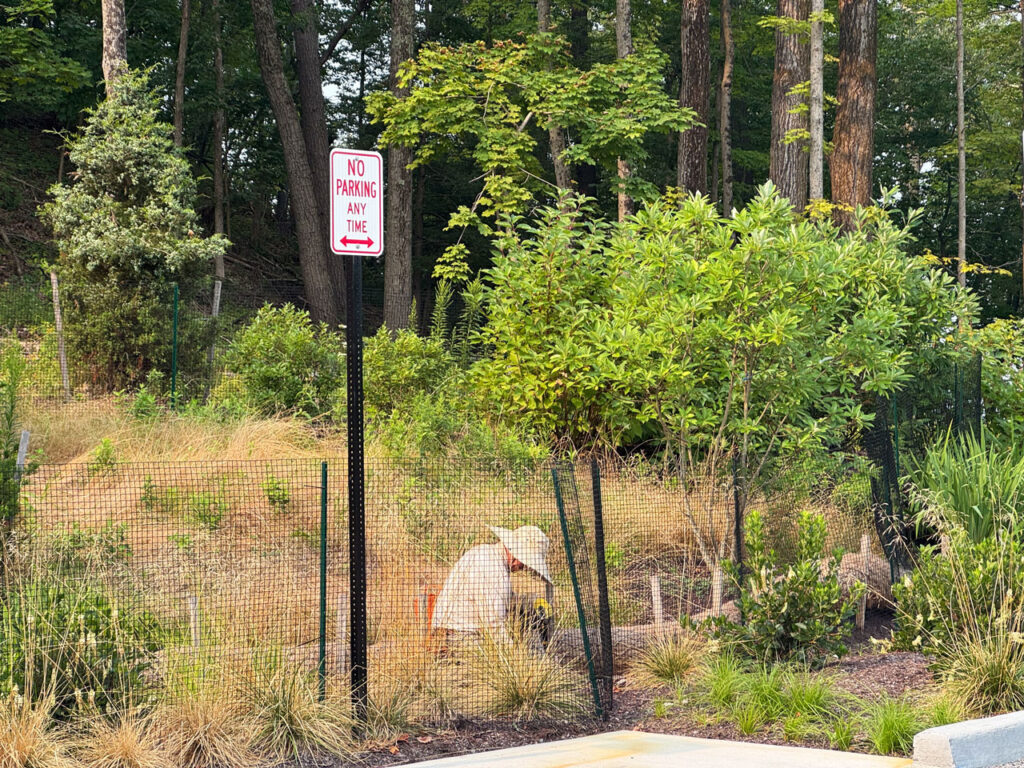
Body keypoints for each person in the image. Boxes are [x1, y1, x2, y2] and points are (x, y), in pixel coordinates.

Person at [431, 525, 552, 641]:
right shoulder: (495, 569)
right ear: (516, 555)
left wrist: (528, 601)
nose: (524, 567)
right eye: (525, 562)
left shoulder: (485, 552)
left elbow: (502, 599)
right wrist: (512, 655)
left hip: (447, 631)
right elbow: (494, 626)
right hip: (460, 636)